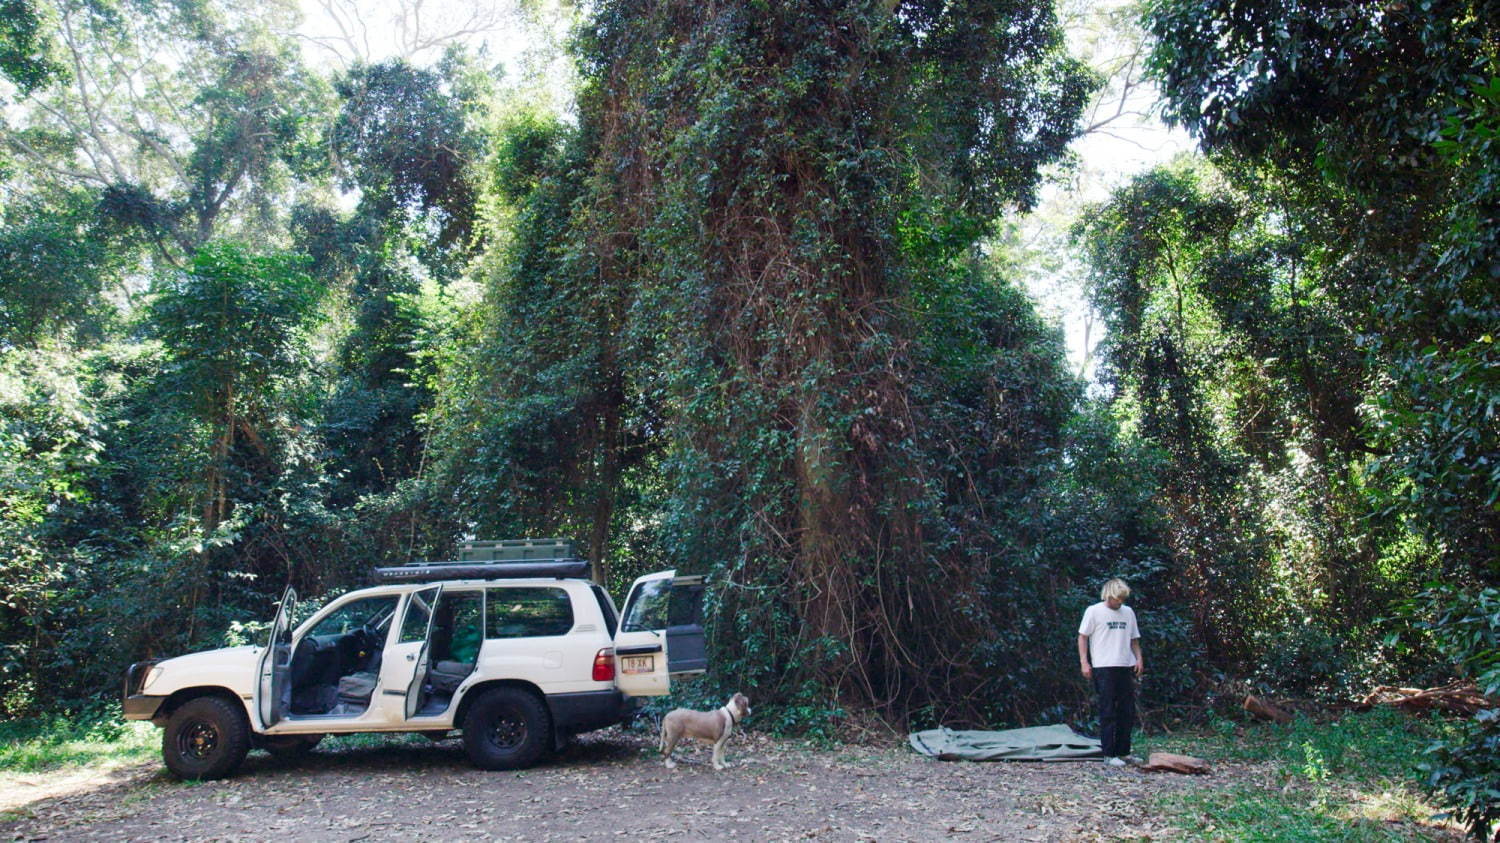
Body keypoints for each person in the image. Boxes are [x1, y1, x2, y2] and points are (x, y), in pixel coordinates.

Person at [1077, 578, 1143, 767]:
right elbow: (1082, 637)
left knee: (1127, 710)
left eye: (1122, 599)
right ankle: (1109, 753)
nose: (1119, 602)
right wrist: (1084, 662)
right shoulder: (1094, 611)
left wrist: (1139, 658)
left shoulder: (1128, 613)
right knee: (1107, 710)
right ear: (1109, 595)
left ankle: (1124, 751)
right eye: (1116, 599)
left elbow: (1134, 639)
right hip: (1103, 666)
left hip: (1125, 665)